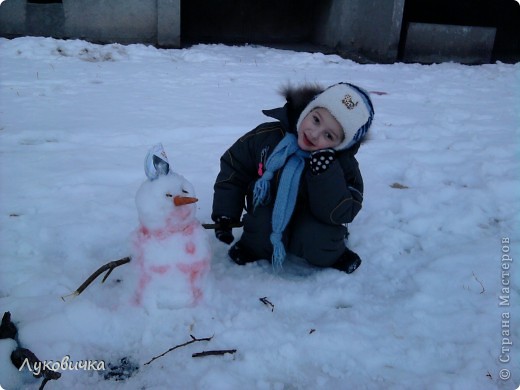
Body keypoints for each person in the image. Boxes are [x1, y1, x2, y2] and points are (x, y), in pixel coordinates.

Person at [211, 82, 374, 273]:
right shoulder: (267, 137)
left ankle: (336, 255)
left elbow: (344, 211)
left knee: (318, 240)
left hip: (313, 218)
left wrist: (325, 173)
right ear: (307, 109)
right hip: (269, 208)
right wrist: (226, 214)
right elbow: (235, 168)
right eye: (316, 120)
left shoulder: (342, 165)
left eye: (328, 135)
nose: (314, 134)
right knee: (261, 227)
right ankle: (253, 248)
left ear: (341, 144)